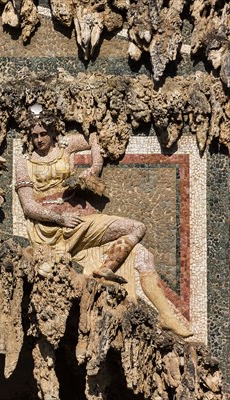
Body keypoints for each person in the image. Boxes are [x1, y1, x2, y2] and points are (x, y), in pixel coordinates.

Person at [15, 105, 192, 338]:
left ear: (51, 131)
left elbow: (94, 136)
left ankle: (108, 271)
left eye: (43, 133)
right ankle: (112, 276)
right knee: (140, 252)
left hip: (79, 219)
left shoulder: (66, 147)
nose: (39, 139)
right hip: (49, 229)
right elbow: (28, 206)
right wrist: (60, 218)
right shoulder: (23, 162)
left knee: (137, 231)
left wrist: (95, 168)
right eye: (34, 135)